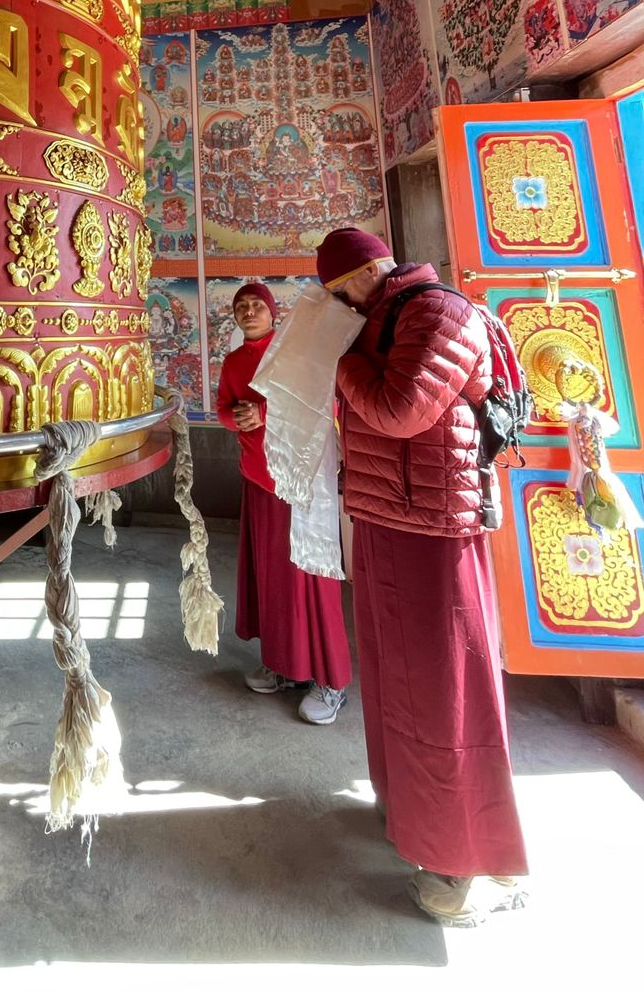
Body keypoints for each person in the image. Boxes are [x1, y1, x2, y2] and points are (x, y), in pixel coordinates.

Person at [315, 226, 528, 927]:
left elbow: (400, 412)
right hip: (389, 515)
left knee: (442, 693)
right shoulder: (384, 315)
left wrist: (336, 361)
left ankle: (459, 864)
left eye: (338, 291)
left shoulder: (439, 313)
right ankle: (412, 817)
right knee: (394, 682)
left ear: (363, 274)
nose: (341, 304)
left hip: (434, 527)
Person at [216, 282, 352, 725]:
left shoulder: (293, 354)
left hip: (298, 482)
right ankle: (282, 665)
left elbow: (322, 405)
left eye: (257, 305)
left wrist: (264, 414)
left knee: (310, 579)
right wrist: (237, 418)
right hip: (258, 480)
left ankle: (331, 681)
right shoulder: (234, 362)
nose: (249, 311)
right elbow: (224, 409)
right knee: (272, 580)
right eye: (241, 306)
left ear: (273, 313)